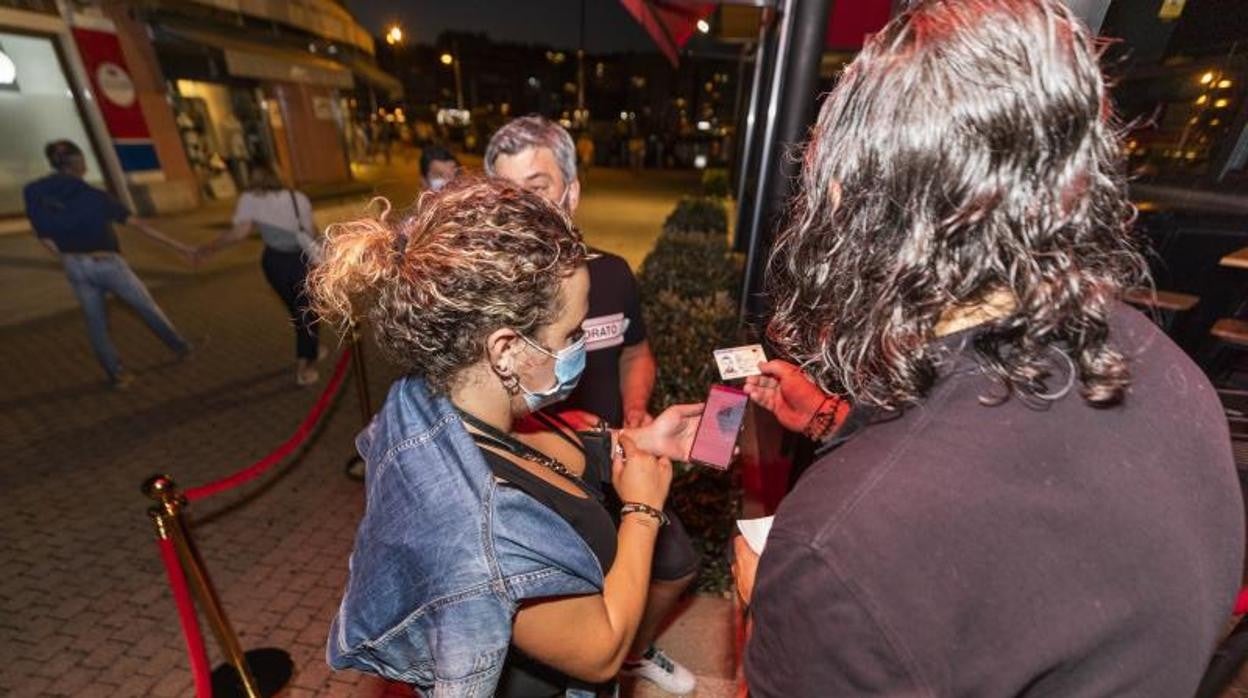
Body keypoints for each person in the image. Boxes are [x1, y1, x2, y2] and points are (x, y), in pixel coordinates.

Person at [734, 1, 1244, 695]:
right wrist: (837, 422)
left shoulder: (837, 553)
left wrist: (769, 611)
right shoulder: (1171, 376)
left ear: (859, 211)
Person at [313, 177, 703, 696]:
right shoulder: (479, 533)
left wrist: (634, 442)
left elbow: (530, 453)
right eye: (570, 333)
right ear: (505, 349)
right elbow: (603, 651)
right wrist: (643, 510)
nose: (581, 344)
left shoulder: (436, 397)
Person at [486, 115, 699, 695]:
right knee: (581, 612)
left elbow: (638, 353)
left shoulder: (610, 274)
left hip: (614, 457)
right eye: (508, 196)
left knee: (676, 565)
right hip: (543, 479)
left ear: (572, 192)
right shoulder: (487, 305)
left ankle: (631, 648)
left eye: (537, 189)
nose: (524, 210)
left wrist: (634, 416)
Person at [23, 139, 193, 389]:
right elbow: (138, 225)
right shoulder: (94, 197)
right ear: (78, 163)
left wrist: (66, 257)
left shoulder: (34, 191)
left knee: (95, 322)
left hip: (74, 265)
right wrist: (181, 247)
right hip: (107, 263)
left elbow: (43, 236)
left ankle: (116, 374)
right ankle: (180, 346)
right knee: (146, 307)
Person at [197, 165, 323, 386]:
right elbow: (311, 231)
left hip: (273, 262)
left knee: (298, 309)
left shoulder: (249, 199)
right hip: (300, 260)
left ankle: (311, 345)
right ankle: (305, 366)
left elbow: (239, 233)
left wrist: (210, 248)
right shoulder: (297, 198)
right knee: (307, 310)